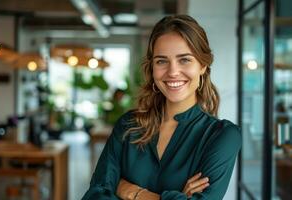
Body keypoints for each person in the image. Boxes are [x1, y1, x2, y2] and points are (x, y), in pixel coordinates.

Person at [82, 15, 241, 200]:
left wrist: (136, 193)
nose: (173, 72)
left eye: (184, 60)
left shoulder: (222, 136)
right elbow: (95, 195)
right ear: (152, 68)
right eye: (162, 61)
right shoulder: (128, 125)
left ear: (203, 65)